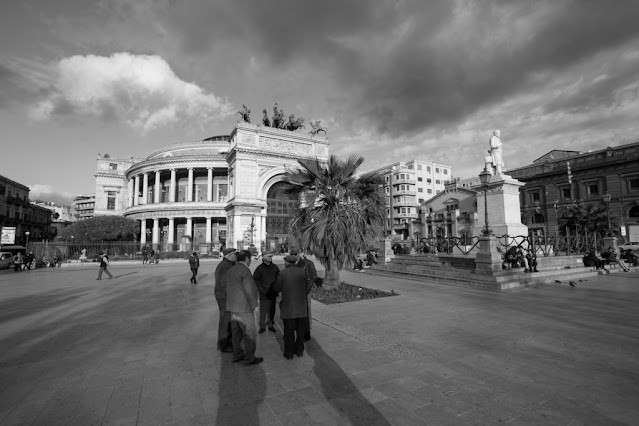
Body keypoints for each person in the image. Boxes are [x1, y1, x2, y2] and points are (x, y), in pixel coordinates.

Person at [226, 250, 263, 366]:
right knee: (250, 334)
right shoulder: (245, 270)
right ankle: (249, 357)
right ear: (247, 258)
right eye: (250, 258)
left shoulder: (231, 270)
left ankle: (237, 354)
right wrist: (254, 305)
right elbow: (249, 289)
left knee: (236, 333)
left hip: (232, 306)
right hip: (244, 308)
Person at [273, 254, 313, 359]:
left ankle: (289, 353)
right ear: (295, 262)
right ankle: (299, 351)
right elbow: (309, 283)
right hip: (301, 306)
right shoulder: (302, 272)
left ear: (286, 262)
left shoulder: (283, 273)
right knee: (300, 331)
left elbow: (277, 288)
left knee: (289, 331)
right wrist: (304, 292)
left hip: (288, 306)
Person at [214, 248, 236, 352]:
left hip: (223, 295)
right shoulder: (226, 266)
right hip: (224, 296)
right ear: (229, 255)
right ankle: (224, 344)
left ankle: (225, 342)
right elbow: (224, 283)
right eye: (234, 254)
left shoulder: (228, 264)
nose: (235, 256)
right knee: (225, 320)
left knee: (226, 319)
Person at [293, 250, 317, 341]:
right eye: (292, 254)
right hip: (297, 292)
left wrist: (306, 290)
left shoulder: (308, 263)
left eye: (295, 253)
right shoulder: (293, 263)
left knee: (307, 310)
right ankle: (300, 327)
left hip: (305, 291)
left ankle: (307, 328)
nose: (294, 255)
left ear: (301, 254)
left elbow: (313, 276)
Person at [253, 252, 280, 333]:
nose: (271, 257)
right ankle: (262, 326)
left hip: (273, 293)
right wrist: (260, 289)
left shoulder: (275, 267)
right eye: (269, 256)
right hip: (264, 293)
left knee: (272, 310)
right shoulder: (260, 268)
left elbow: (279, 278)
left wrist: (277, 288)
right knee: (263, 311)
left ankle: (271, 324)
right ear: (264, 257)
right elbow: (255, 279)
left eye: (271, 256)